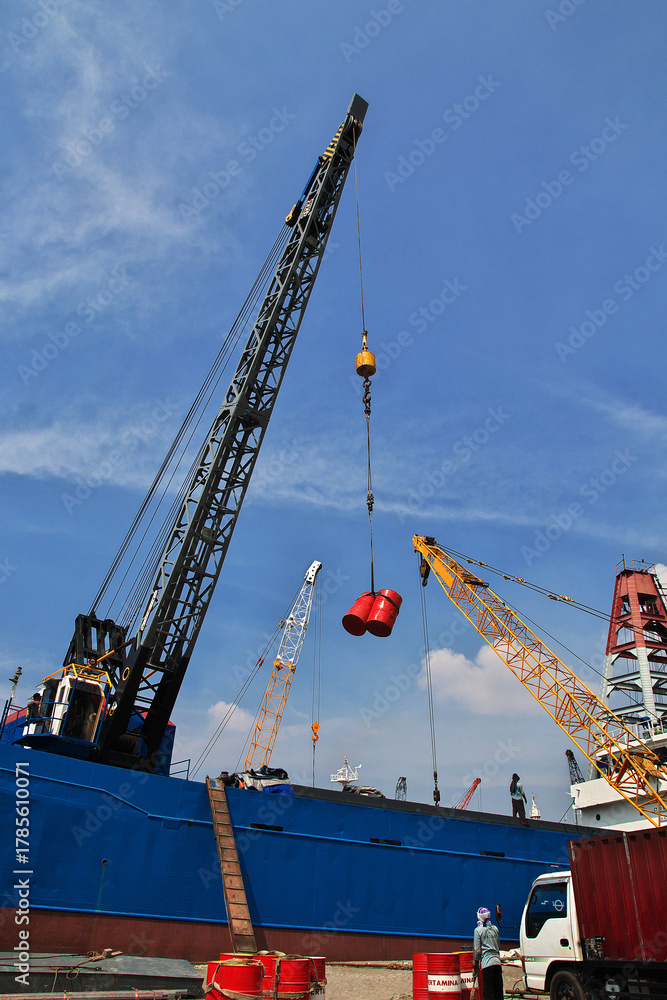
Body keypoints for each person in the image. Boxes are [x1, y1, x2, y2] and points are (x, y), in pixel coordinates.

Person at [473, 906, 503, 1000]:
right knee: (498, 993)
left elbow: (477, 950)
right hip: (497, 963)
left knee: (489, 993)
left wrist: (475, 961)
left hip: (487, 964)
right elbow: (498, 945)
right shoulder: (495, 929)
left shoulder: (478, 930)